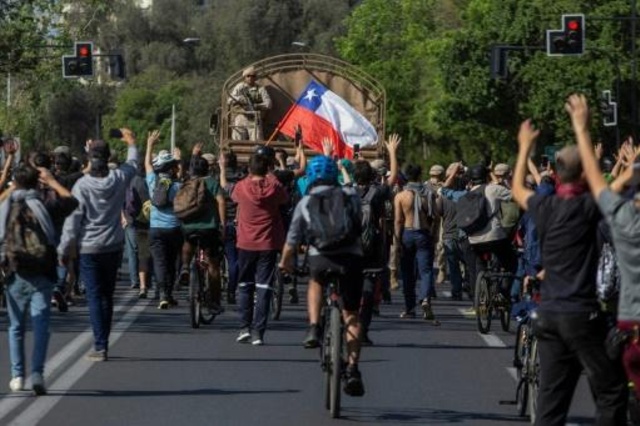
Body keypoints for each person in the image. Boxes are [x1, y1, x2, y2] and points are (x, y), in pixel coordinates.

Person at [512, 103, 627, 425]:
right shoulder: (588, 207)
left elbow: (518, 188)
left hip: (548, 313)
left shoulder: (545, 206)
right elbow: (605, 186)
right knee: (611, 392)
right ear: (584, 176)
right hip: (581, 314)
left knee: (551, 403)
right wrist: (582, 129)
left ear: (555, 174)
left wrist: (523, 149)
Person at [279, 155, 366, 397]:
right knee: (352, 314)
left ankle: (314, 327)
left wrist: (286, 264)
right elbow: (359, 225)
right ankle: (353, 368)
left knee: (315, 282)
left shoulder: (306, 202)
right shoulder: (351, 196)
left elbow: (292, 241)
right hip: (350, 257)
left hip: (321, 256)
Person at [58, 131, 139, 362]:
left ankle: (100, 344)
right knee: (107, 296)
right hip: (113, 246)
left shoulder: (82, 185)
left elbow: (72, 222)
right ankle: (103, 340)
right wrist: (132, 143)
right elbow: (133, 164)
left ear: (89, 159)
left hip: (88, 248)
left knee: (94, 296)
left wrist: (63, 250)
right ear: (108, 157)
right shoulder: (118, 178)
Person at [0, 164, 77, 394]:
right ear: (37, 182)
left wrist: (11, 187)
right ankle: (37, 374)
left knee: (16, 326)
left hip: (15, 271)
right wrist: (52, 181)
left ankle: (17, 375)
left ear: (16, 183)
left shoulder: (8, 204)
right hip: (43, 272)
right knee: (41, 325)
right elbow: (72, 201)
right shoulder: (45, 203)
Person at [221, 150, 288, 346]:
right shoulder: (274, 187)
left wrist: (223, 167)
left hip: (245, 244)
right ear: (268, 168)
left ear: (249, 169)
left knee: (245, 286)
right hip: (268, 244)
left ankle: (244, 328)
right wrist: (271, 174)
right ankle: (258, 332)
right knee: (264, 287)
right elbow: (284, 198)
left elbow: (225, 187)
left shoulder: (242, 187)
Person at [178, 143, 226, 314]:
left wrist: (192, 155)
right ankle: (214, 302)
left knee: (188, 242)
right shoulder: (212, 183)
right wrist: (222, 224)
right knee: (213, 265)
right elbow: (221, 201)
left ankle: (184, 267)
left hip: (188, 226)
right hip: (209, 228)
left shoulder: (188, 182)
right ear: (207, 170)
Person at [144, 134, 183, 309]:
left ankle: (162, 295)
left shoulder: (153, 181)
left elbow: (147, 165)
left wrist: (149, 145)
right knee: (172, 261)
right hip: (174, 228)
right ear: (173, 169)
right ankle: (169, 293)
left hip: (156, 228)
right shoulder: (177, 186)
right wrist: (179, 159)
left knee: (159, 262)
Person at [228, 66, 272, 141]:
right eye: (248, 76)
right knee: (237, 140)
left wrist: (257, 106)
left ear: (255, 78)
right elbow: (229, 100)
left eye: (253, 76)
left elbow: (269, 104)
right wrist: (240, 100)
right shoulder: (239, 87)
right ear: (245, 77)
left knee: (257, 140)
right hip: (241, 116)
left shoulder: (260, 89)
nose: (250, 78)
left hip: (254, 116)